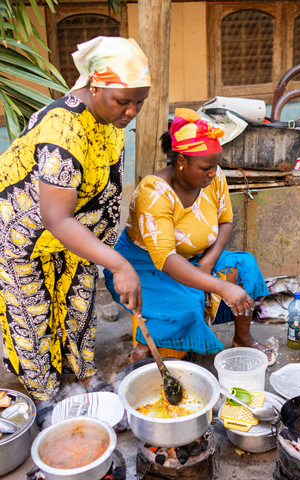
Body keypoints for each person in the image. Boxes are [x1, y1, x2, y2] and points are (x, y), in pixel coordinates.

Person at [0, 36, 149, 428]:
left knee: (78, 306)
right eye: (124, 101)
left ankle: (83, 377)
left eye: (139, 102)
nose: (131, 111)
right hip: (25, 236)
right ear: (95, 86)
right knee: (34, 317)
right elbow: (56, 218)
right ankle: (48, 399)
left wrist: (104, 245)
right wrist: (120, 264)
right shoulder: (62, 131)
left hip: (79, 235)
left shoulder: (109, 119)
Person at [104, 108, 274, 364]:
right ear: (181, 161)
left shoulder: (212, 179)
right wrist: (222, 286)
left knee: (245, 265)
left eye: (216, 166)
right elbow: (166, 259)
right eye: (206, 167)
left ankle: (243, 338)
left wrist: (207, 263)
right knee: (184, 308)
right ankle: (152, 343)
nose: (214, 173)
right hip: (146, 266)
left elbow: (225, 220)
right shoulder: (154, 193)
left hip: (197, 257)